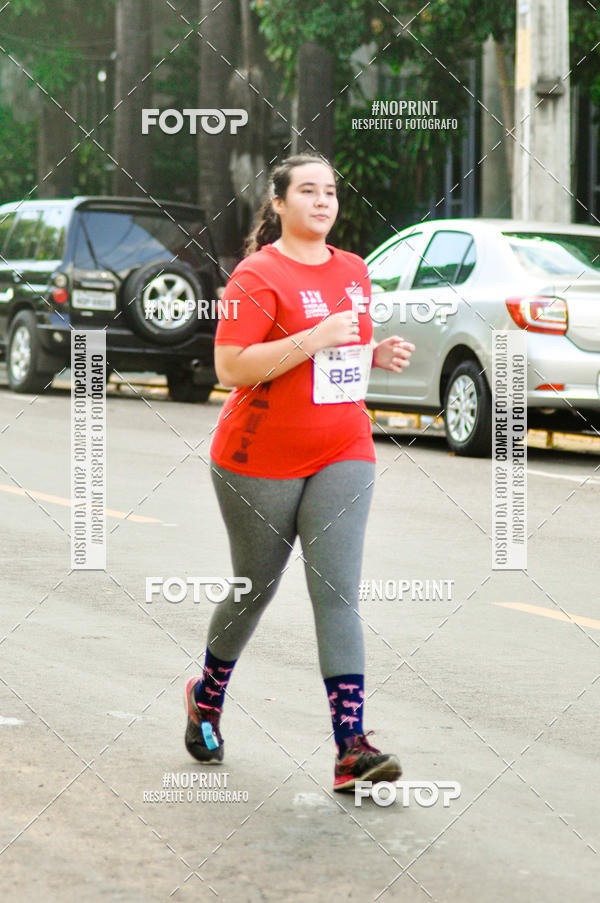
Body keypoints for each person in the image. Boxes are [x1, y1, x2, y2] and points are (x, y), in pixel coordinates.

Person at [184, 152, 414, 792]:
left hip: (344, 445)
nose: (322, 201)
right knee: (254, 588)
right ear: (279, 203)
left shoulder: (353, 270)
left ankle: (351, 748)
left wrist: (374, 352)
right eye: (307, 191)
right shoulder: (257, 276)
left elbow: (340, 357)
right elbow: (230, 367)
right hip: (259, 456)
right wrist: (313, 337)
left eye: (331, 192)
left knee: (336, 591)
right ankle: (206, 696)